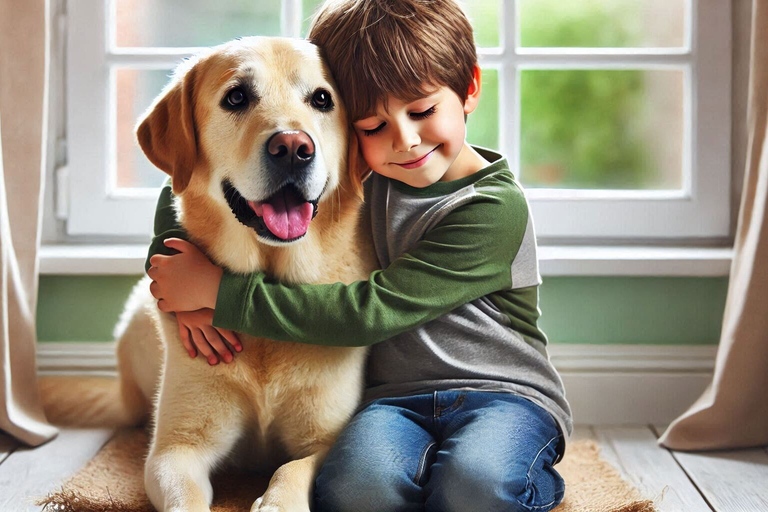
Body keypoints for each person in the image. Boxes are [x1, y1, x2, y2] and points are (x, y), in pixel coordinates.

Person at [146, 0, 572, 510]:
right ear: (354, 135)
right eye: (373, 125)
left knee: (475, 485)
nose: (405, 140)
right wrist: (169, 269)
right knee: (354, 490)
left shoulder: (491, 209)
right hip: (394, 401)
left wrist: (218, 293)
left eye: (422, 111)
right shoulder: (368, 180)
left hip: (501, 396)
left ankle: (526, 483)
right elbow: (186, 188)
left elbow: (368, 312)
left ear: (470, 89)